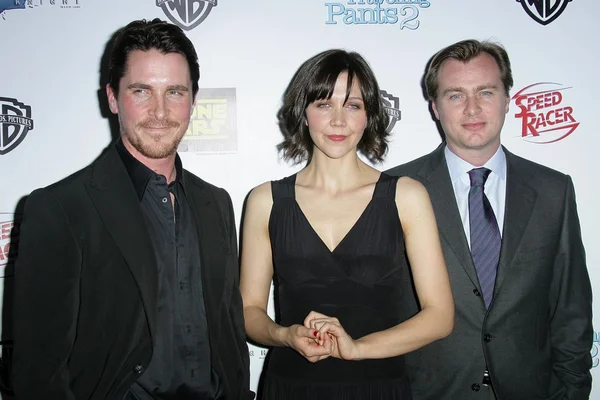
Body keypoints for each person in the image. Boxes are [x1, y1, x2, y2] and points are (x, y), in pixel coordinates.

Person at [11, 19, 252, 400]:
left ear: (193, 98)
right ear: (112, 97)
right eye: (141, 91)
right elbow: (37, 368)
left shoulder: (215, 203)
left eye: (175, 92)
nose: (160, 111)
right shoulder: (62, 208)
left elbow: (229, 331)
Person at [239, 49, 454, 399]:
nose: (338, 120)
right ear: (303, 113)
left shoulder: (406, 197)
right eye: (324, 104)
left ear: (369, 115)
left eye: (352, 105)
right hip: (290, 387)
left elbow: (440, 316)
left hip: (379, 387)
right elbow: (249, 311)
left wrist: (358, 348)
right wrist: (285, 335)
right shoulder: (266, 201)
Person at [386, 39, 593, 400]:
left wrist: (572, 392)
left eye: (485, 92)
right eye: (455, 95)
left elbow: (570, 311)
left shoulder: (553, 191)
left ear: (508, 99)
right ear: (434, 107)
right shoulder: (393, 191)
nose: (472, 108)